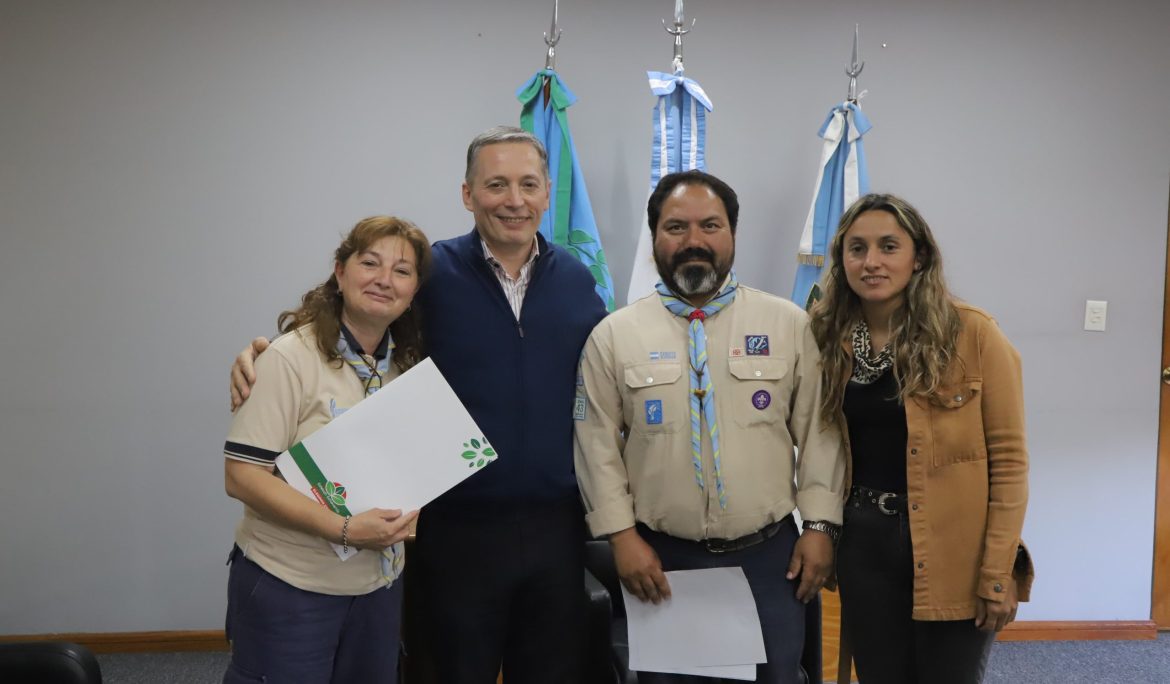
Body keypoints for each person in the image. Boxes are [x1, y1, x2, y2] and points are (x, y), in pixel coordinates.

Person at [229, 126, 608, 684]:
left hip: (555, 528)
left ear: (548, 193)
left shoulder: (577, 280)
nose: (514, 200)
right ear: (467, 194)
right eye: (496, 184)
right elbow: (352, 325)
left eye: (529, 185)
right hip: (452, 531)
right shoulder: (432, 273)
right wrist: (259, 353)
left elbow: (608, 375)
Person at [573, 169, 848, 684]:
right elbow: (595, 445)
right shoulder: (614, 336)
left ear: (733, 235)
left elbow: (821, 433)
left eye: (710, 226)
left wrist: (819, 526)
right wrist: (621, 537)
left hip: (770, 558)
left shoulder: (788, 324)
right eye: (676, 227)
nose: (693, 241)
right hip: (663, 561)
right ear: (654, 236)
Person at [808, 194, 1034, 684]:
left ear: (920, 257)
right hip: (865, 548)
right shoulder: (828, 339)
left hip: (955, 549)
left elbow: (1011, 463)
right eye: (857, 248)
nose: (871, 262)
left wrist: (999, 570)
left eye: (889, 246)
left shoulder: (973, 334)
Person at [222, 216, 431, 683]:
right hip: (291, 585)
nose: (384, 279)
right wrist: (344, 529)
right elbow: (241, 476)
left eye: (402, 271)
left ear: (415, 289)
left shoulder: (406, 365)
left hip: (378, 586)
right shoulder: (286, 358)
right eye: (369, 263)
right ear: (340, 272)